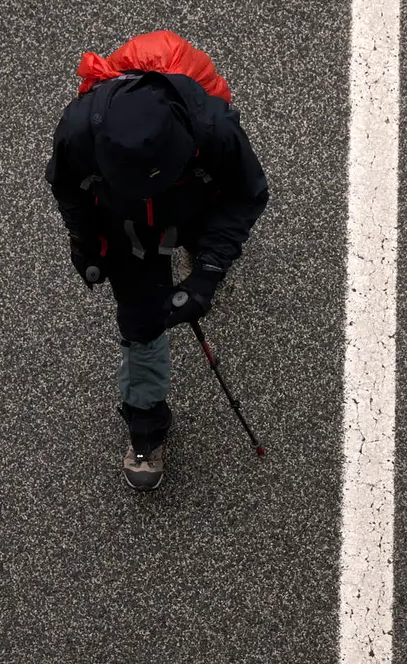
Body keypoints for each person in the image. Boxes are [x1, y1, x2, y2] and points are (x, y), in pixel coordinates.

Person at [45, 31, 269, 491]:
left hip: (193, 203)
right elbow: (69, 189)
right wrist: (86, 244)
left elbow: (247, 195)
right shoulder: (77, 130)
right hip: (122, 220)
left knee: (206, 243)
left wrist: (208, 271)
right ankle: (146, 426)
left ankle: (194, 249)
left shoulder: (216, 128)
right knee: (139, 322)